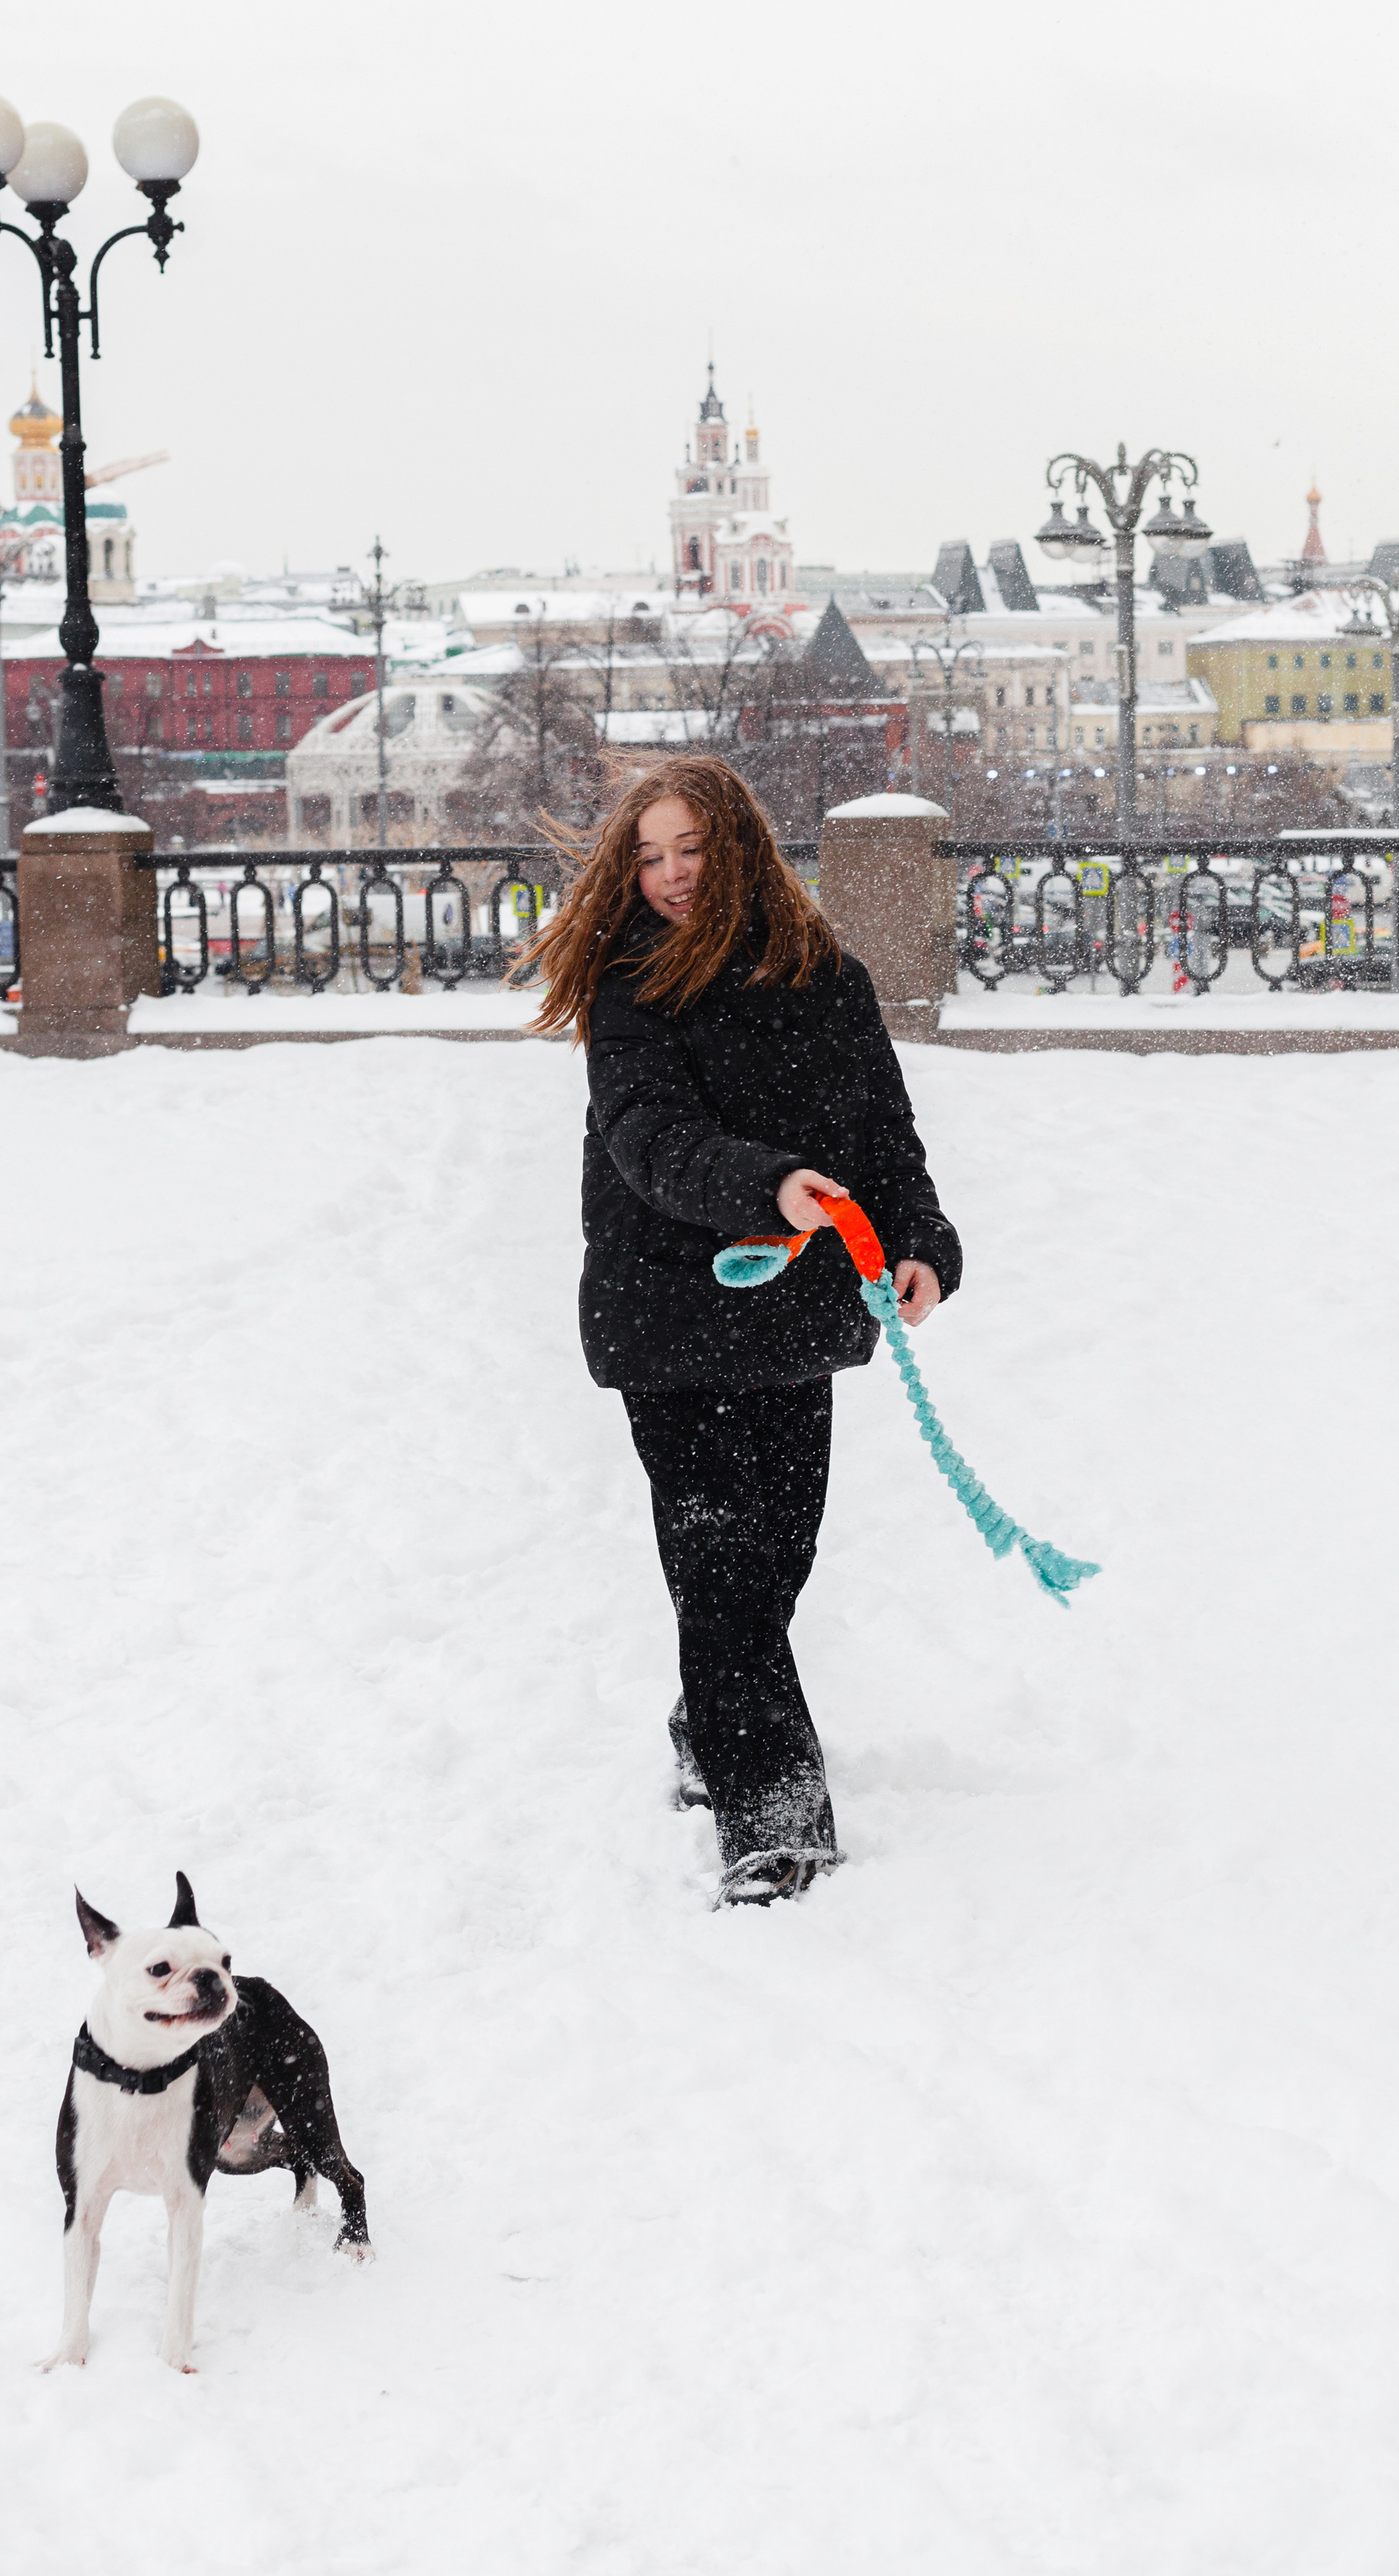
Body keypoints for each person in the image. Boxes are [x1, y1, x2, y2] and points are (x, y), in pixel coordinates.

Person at [528, 756, 962, 1909]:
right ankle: (772, 1821)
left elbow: (885, 1137)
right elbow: (650, 1137)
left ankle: (707, 1714)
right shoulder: (631, 985)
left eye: (691, 850)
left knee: (774, 1559)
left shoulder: (827, 979)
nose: (670, 875)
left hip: (792, 1320)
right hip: (669, 1314)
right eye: (649, 857)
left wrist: (923, 1242)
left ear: (741, 851)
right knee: (721, 1567)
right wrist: (768, 1184)